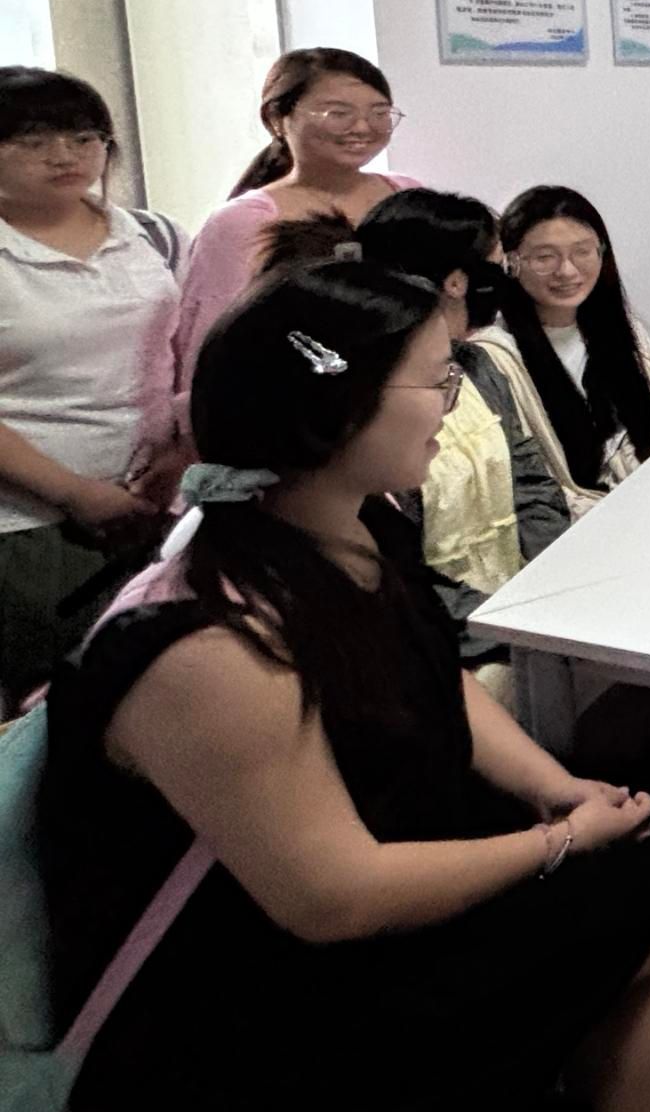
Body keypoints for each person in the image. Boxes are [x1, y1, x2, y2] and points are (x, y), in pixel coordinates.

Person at [38, 258, 650, 1112]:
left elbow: (430, 678)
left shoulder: (353, 523)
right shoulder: (210, 644)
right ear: (337, 408)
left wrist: (556, 787)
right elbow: (334, 898)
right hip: (266, 1005)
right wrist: (559, 840)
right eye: (438, 379)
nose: (456, 401)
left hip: (387, 884)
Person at [265, 191, 567, 604]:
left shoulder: (478, 363)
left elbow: (529, 477)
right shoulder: (365, 399)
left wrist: (550, 580)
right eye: (437, 383)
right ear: (456, 282)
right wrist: (499, 619)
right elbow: (405, 570)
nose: (447, 401)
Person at [0, 68, 179, 701]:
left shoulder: (153, 235)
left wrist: (179, 454)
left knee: (152, 691)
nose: (64, 156)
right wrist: (76, 493)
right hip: (26, 524)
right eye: (33, 140)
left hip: (155, 503)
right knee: (49, 705)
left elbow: (187, 352)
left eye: (84, 138)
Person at [170, 48, 418, 417]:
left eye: (379, 113)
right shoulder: (244, 221)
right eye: (339, 113)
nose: (363, 127)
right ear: (276, 118)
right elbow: (211, 342)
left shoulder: (407, 194)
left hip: (413, 396)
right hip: (298, 411)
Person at [485, 184, 650, 512]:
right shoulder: (497, 354)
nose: (567, 270)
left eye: (582, 252)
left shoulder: (622, 331)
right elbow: (524, 483)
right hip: (576, 523)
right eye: (545, 257)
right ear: (511, 262)